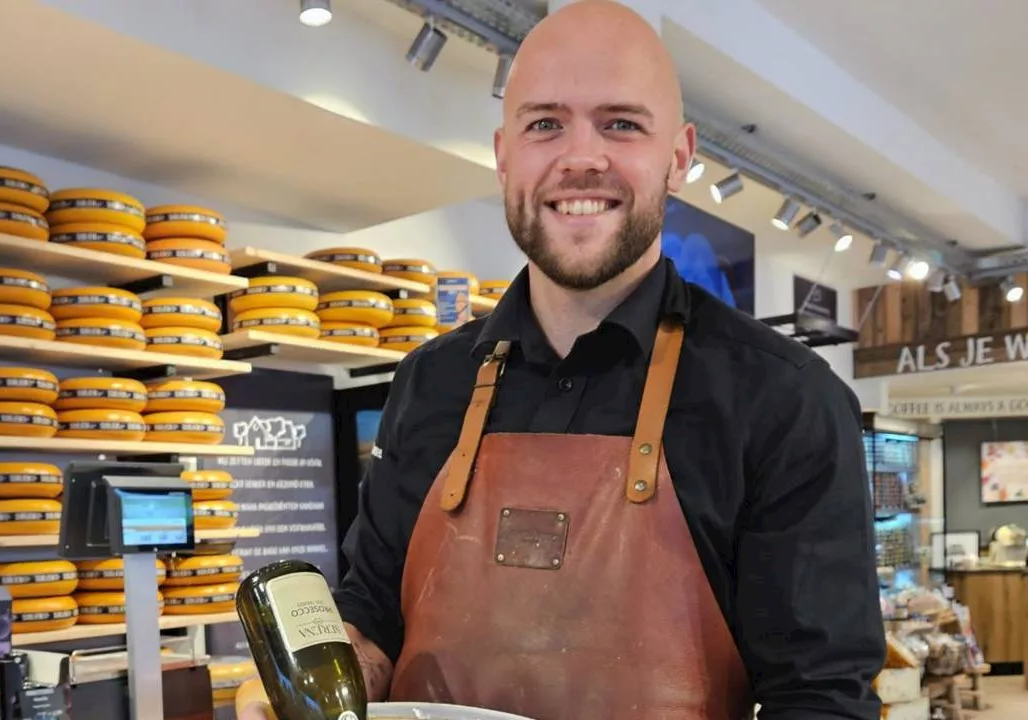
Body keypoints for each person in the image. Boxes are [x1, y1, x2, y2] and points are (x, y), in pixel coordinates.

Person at [238, 0, 885, 717]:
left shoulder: (784, 400)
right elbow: (374, 612)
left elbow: (820, 697)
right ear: (504, 153)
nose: (581, 157)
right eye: (545, 123)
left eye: (621, 123)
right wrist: (323, 683)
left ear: (678, 157)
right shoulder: (430, 381)